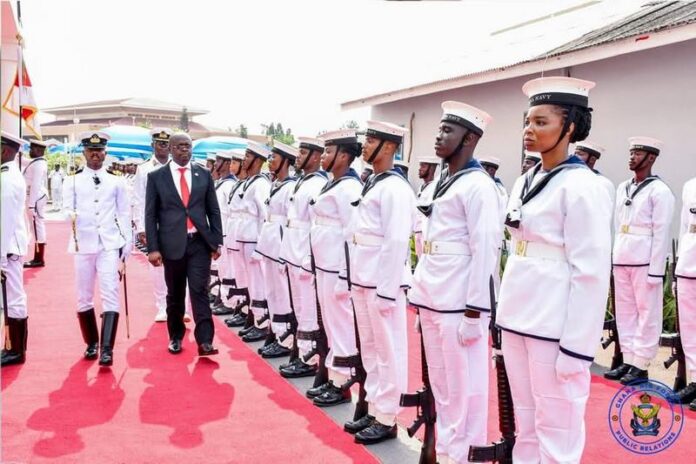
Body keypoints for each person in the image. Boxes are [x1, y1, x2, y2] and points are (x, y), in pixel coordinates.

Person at [496, 76, 612, 463]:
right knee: (525, 425)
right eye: (527, 122)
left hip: (554, 324)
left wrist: (577, 348)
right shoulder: (526, 179)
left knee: (557, 426)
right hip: (518, 317)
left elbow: (591, 273)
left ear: (571, 127)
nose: (529, 130)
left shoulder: (583, 186)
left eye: (541, 122)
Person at [409, 102, 498, 464]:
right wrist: (419, 293)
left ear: (470, 138)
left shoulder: (478, 186)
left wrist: (475, 311)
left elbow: (485, 249)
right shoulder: (440, 183)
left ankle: (464, 454)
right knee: (443, 387)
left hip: (458, 303)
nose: (439, 135)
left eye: (449, 130)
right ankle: (446, 451)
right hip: (433, 295)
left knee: (465, 389)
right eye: (440, 128)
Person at [347, 120, 415, 445]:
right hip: (364, 278)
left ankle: (388, 417)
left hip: (381, 284)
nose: (364, 144)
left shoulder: (396, 188)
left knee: (389, 351)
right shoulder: (375, 182)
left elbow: (396, 241)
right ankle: (375, 409)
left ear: (388, 146)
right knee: (371, 351)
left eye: (371, 139)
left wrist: (387, 291)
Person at [145, 132, 223, 356]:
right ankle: (176, 336)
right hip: (171, 244)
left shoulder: (203, 174)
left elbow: (213, 210)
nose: (185, 151)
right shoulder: (156, 177)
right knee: (175, 293)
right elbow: (150, 215)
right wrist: (153, 248)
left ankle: (205, 341)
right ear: (170, 149)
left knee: (199, 290)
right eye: (179, 147)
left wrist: (216, 241)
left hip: (199, 242)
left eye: (188, 146)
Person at [606, 137, 675, 384]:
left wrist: (656, 270)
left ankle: (641, 363)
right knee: (625, 312)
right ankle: (628, 359)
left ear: (651, 158)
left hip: (645, 260)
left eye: (638, 153)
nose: (632, 157)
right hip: (623, 257)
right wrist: (614, 255)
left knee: (647, 313)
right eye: (631, 152)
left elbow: (662, 231)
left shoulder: (660, 191)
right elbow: (616, 225)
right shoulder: (623, 186)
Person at [62, 132, 132, 366]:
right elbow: (65, 208)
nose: (95, 154)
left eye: (100, 150)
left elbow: (123, 213)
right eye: (91, 151)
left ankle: (107, 349)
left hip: (108, 244)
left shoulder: (116, 180)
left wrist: (126, 243)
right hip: (83, 244)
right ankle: (91, 343)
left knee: (110, 292)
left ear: (105, 152)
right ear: (84, 153)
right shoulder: (72, 180)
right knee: (84, 296)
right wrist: (69, 215)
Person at [306, 129, 363, 406]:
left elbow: (351, 235)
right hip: (324, 265)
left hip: (336, 268)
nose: (324, 156)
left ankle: (342, 382)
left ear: (344, 155)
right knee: (329, 323)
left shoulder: (350, 188)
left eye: (329, 151)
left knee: (340, 325)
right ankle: (333, 377)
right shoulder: (332, 183)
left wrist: (344, 275)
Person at [278, 137, 328, 378]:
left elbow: (314, 225)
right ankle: (301, 352)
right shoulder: (302, 182)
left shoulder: (318, 184)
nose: (298, 156)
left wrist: (309, 258)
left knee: (308, 309)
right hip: (293, 252)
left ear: (317, 157)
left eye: (304, 152)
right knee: (299, 306)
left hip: (305, 256)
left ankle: (310, 358)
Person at [255, 141, 297, 358]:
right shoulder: (275, 183)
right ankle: (277, 332)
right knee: (272, 291)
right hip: (269, 242)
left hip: (280, 243)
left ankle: (287, 338)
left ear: (286, 161)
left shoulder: (290, 186)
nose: (270, 161)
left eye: (274, 158)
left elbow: (291, 220)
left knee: (282, 293)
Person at [233, 142, 272, 343]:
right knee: (251, 282)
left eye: (248, 156)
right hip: (244, 237)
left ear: (258, 160)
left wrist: (261, 246)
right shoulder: (250, 182)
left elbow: (265, 217)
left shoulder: (261, 184)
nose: (244, 160)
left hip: (254, 240)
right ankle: (256, 319)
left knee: (258, 283)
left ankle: (262, 323)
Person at [134, 128, 172, 322]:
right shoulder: (144, 168)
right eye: (159, 143)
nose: (163, 146)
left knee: (179, 264)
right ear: (153, 145)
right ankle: (162, 306)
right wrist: (141, 227)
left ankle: (180, 306)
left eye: (166, 143)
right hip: (154, 223)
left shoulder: (178, 166)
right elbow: (139, 199)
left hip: (175, 224)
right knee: (157, 266)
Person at [1, 131, 30, 367]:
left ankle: (15, 349)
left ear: (4, 150)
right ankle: (12, 347)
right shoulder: (7, 174)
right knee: (11, 297)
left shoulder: (7, 179)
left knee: (13, 298)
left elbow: (5, 220)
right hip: (9, 246)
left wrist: (0, 257)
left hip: (8, 248)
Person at [210, 150, 241, 316]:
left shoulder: (229, 185)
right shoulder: (222, 183)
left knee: (228, 270)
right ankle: (222, 297)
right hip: (219, 232)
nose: (215, 164)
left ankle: (230, 302)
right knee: (221, 268)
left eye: (219, 160)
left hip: (227, 232)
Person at [674, 174, 696, 409]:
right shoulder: (690, 185)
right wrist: (678, 264)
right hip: (689, 262)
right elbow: (683, 228)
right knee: (690, 330)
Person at [23, 139, 49, 268]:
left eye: (32, 149)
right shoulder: (37, 162)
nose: (30, 151)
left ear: (39, 150)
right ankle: (38, 258)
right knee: (36, 227)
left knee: (37, 227)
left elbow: (35, 185)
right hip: (36, 197)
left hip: (36, 198)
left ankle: (39, 259)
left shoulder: (39, 164)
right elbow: (25, 162)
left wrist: (31, 205)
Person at [413, 155, 439, 258]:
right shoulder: (421, 187)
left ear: (432, 168)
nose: (419, 169)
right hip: (417, 231)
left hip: (426, 233)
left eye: (423, 166)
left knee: (425, 261)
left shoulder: (434, 188)